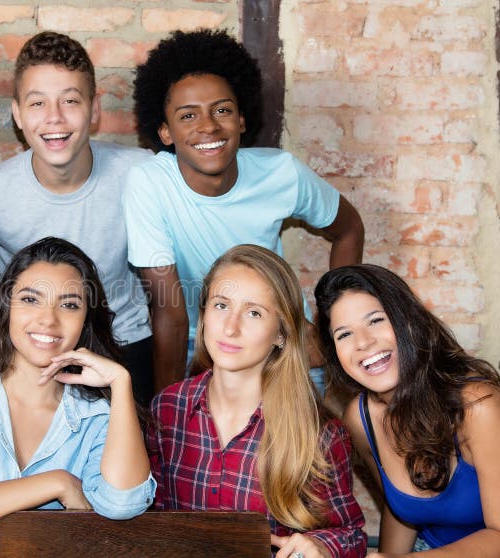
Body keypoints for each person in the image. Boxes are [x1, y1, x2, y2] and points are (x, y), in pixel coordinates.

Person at [123, 29, 364, 392]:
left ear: (242, 120)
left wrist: (335, 322)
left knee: (308, 441)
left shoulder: (281, 173)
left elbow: (349, 229)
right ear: (165, 132)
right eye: (188, 116)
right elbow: (169, 312)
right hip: (197, 347)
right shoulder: (149, 184)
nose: (208, 125)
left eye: (222, 110)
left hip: (281, 341)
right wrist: (166, 416)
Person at [0, 237, 155, 557]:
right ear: (6, 305)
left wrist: (121, 383)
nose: (48, 319)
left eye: (69, 304)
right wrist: (56, 483)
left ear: (86, 318)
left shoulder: (98, 415)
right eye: (30, 299)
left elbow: (123, 505)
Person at [0, 31, 155, 404]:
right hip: (33, 358)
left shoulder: (140, 175)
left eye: (70, 100)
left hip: (124, 351)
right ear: (17, 114)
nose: (54, 117)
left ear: (95, 109)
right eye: (37, 103)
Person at [148, 245, 366, 558]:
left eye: (254, 313)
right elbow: (151, 516)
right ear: (205, 315)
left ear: (281, 333)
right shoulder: (167, 409)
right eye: (221, 306)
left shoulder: (319, 435)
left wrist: (322, 545)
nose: (231, 327)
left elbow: (351, 535)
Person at [315, 264, 500, 555]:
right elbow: (402, 512)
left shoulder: (477, 405)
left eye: (375, 320)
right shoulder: (361, 419)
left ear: (407, 321)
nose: (363, 342)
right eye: (344, 334)